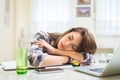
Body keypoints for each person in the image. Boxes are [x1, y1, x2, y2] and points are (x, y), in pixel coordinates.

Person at [28, 27, 97, 67]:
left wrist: (55, 51)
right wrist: (68, 59)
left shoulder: (81, 54)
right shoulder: (43, 36)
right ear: (68, 32)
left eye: (73, 46)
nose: (66, 43)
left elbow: (90, 60)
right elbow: (35, 59)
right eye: (70, 37)